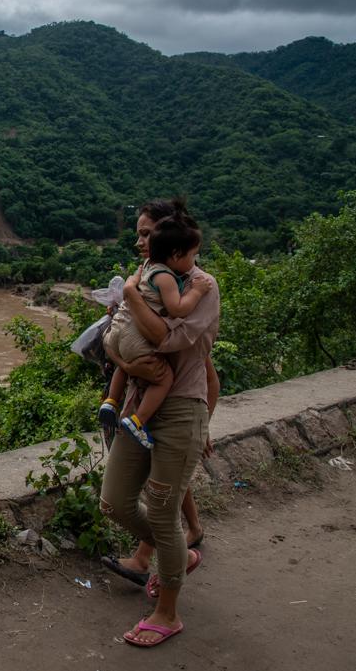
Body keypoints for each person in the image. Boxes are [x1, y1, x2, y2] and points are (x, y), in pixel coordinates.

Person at [98, 200, 219, 648]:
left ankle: (166, 612)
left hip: (181, 408)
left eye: (147, 235)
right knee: (114, 502)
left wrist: (129, 299)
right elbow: (116, 343)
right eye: (140, 234)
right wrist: (118, 347)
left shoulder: (202, 286)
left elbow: (166, 339)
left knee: (165, 511)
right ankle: (177, 552)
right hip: (138, 408)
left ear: (168, 241)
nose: (140, 243)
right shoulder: (148, 282)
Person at [100, 216, 212, 449]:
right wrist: (197, 292)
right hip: (138, 340)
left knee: (125, 363)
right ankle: (138, 421)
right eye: (192, 256)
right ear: (175, 254)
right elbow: (176, 308)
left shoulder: (144, 269)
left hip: (118, 333)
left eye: (145, 235)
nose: (194, 263)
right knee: (164, 378)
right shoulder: (167, 277)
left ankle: (110, 401)